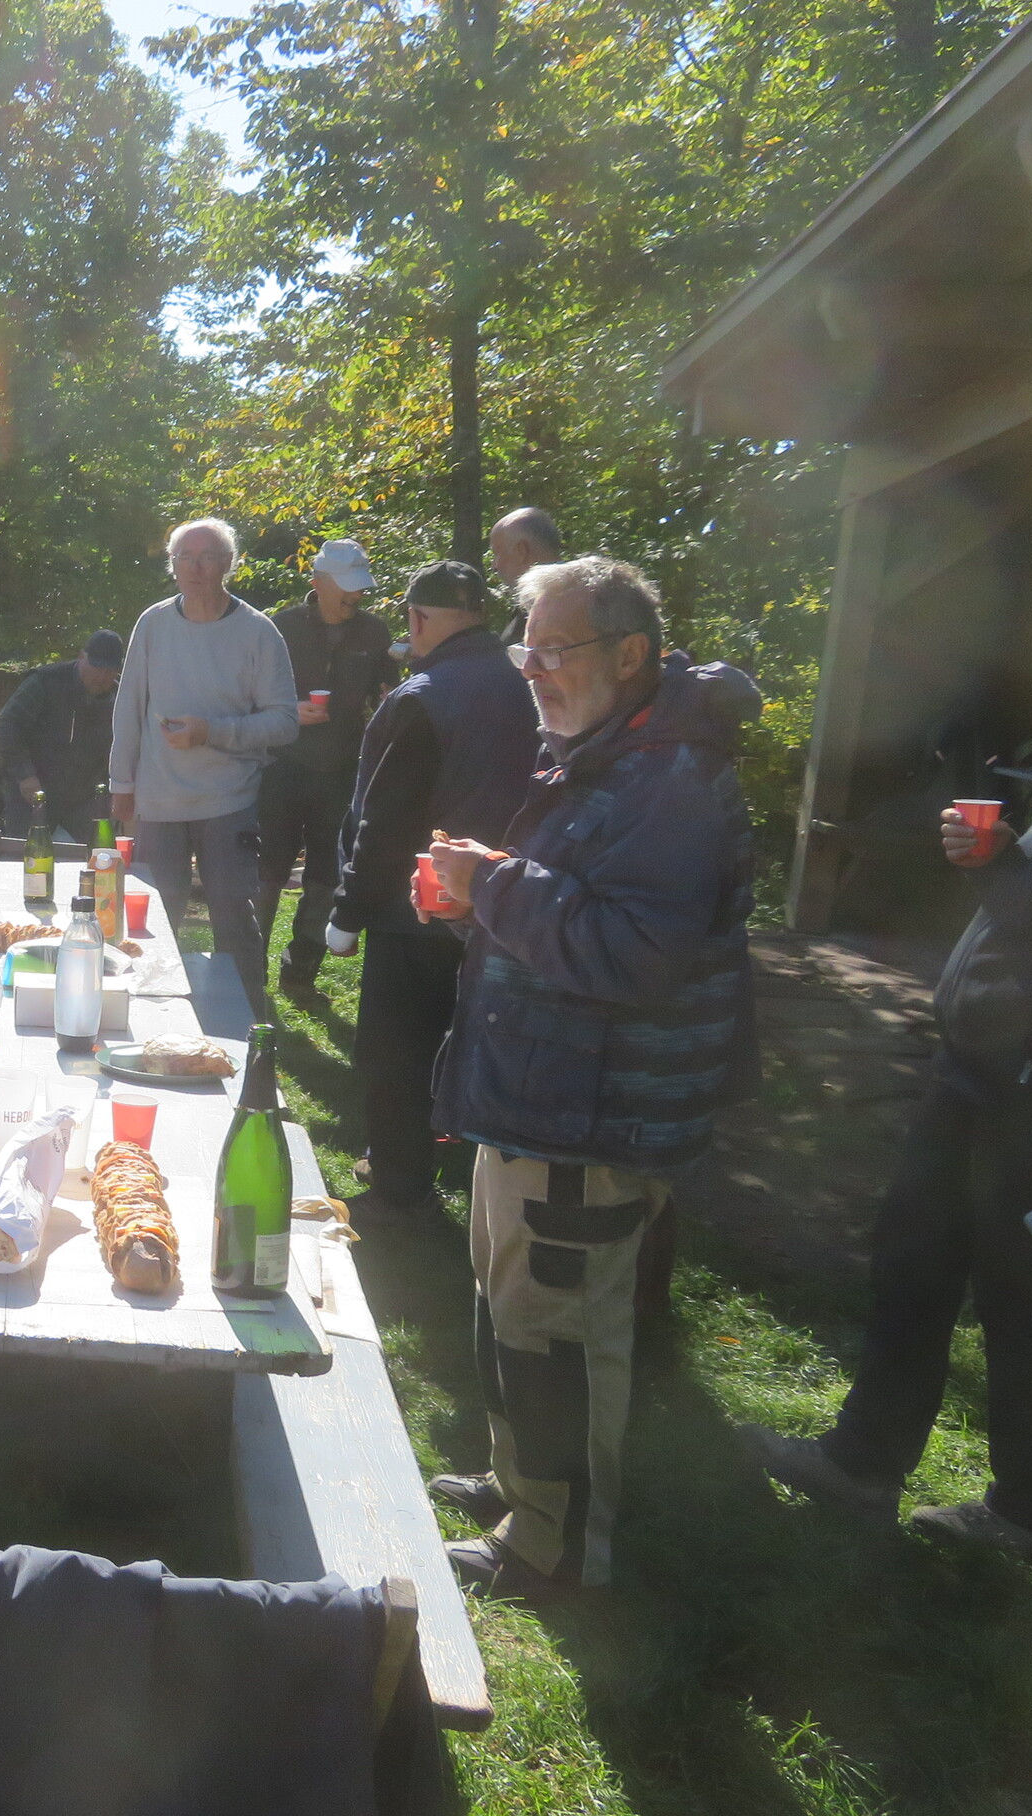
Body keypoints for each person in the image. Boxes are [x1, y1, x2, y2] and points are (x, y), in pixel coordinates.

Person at [419, 555, 759, 1598]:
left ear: (630, 653)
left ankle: (555, 1547)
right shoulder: (610, 753)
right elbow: (571, 908)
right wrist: (478, 899)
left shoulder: (670, 781)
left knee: (560, 1335)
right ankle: (523, 1483)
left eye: (554, 651)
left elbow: (633, 956)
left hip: (591, 1113)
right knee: (511, 1306)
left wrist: (494, 882)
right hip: (540, 1096)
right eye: (526, 651)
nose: (533, 673)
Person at [742, 651, 1032, 1563]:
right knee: (913, 1265)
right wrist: (996, 864)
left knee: (1028, 1304)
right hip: (977, 1077)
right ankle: (864, 1462)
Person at [320, 560, 538, 1220]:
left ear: (416, 619)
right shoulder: (530, 682)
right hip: (506, 900)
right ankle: (461, 1165)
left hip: (417, 906)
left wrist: (348, 912)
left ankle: (398, 1186)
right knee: (470, 1038)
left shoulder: (423, 696)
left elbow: (386, 821)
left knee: (396, 1050)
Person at [106, 519, 299, 1011]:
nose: (195, 568)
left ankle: (249, 1024)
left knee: (233, 918)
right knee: (151, 922)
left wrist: (210, 731)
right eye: (184, 558)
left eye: (208, 557)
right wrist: (121, 784)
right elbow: (128, 707)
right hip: (158, 802)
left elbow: (284, 722)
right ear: (172, 566)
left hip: (229, 801)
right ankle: (149, 1018)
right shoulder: (153, 623)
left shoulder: (258, 632)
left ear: (228, 564)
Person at [259, 539, 397, 994]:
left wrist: (387, 701)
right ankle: (246, 971)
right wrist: (288, 711)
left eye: (360, 587)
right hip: (282, 766)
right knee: (266, 873)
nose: (356, 595)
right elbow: (249, 695)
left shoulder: (374, 633)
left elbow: (387, 692)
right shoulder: (281, 628)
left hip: (340, 771)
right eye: (347, 586)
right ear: (318, 582)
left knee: (325, 877)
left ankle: (300, 974)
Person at [0, 630, 124, 841]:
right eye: (97, 667)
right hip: (33, 794)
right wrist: (25, 775)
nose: (102, 677)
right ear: (81, 657)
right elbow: (7, 725)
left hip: (85, 800)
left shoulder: (120, 701)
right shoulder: (45, 682)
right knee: (24, 855)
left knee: (98, 855)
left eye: (110, 671)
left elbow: (125, 749)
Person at [487, 507, 563, 646]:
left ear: (521, 551)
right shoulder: (577, 597)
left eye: (497, 554)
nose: (494, 566)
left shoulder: (556, 608)